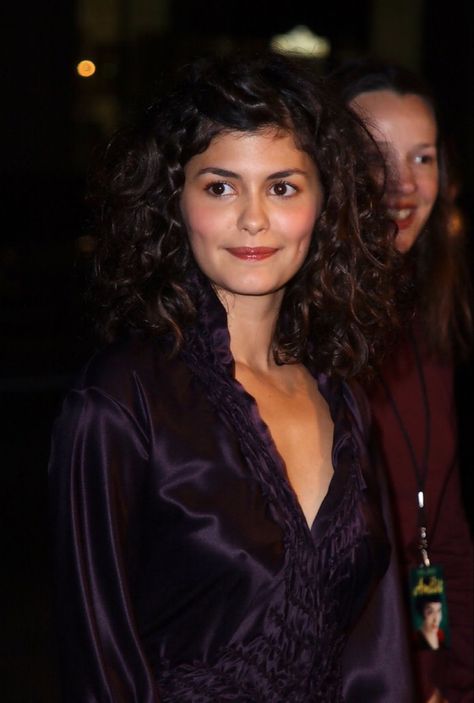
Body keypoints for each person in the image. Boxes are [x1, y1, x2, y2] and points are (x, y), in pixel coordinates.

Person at [49, 52, 411, 702]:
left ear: (324, 202)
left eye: (282, 186)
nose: (252, 218)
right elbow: (97, 657)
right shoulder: (120, 399)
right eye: (220, 186)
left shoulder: (343, 399)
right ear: (173, 199)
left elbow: (376, 651)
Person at [331, 59, 474, 703]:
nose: (402, 186)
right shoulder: (299, 339)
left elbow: (442, 522)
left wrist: (453, 674)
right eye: (374, 156)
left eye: (422, 158)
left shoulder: (427, 315)